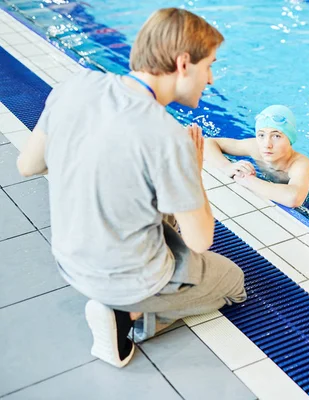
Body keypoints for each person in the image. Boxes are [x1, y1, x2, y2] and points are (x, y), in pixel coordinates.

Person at [16, 8, 246, 368]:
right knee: (234, 281)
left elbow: (27, 165)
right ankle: (129, 318)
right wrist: (194, 172)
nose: (211, 79)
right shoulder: (167, 135)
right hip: (126, 281)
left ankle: (124, 303)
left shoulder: (76, 86)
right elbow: (201, 240)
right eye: (209, 66)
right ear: (184, 63)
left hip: (69, 259)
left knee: (149, 191)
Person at [203, 105, 309, 208]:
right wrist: (226, 167)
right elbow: (208, 143)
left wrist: (248, 180)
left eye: (276, 136)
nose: (267, 144)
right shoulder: (256, 147)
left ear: (290, 140)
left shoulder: (300, 164)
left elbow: (294, 198)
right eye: (261, 135)